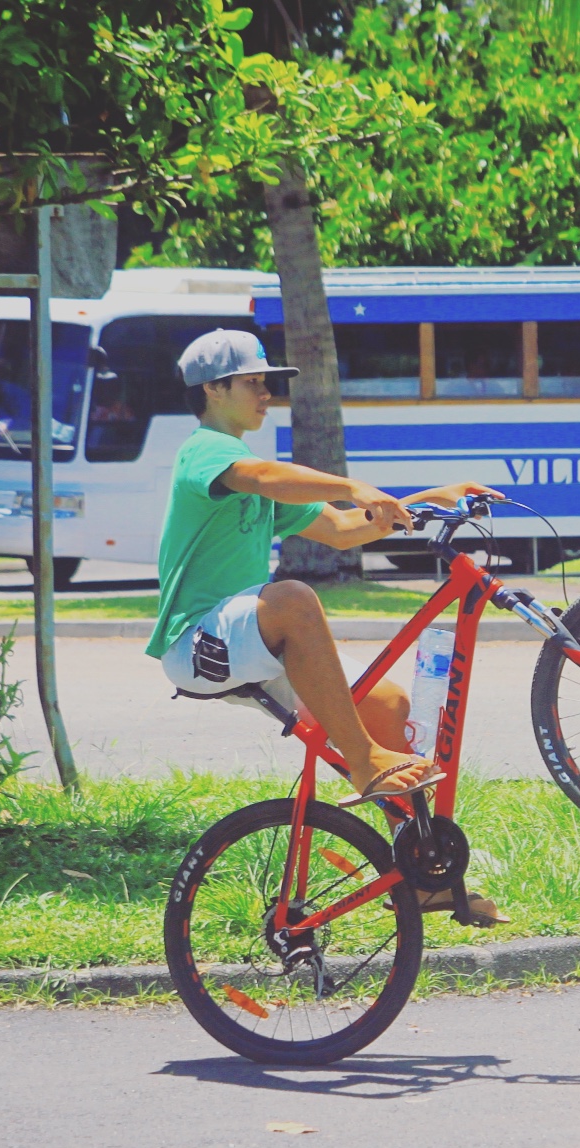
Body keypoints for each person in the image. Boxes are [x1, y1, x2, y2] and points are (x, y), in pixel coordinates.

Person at [148, 330, 508, 920]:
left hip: (249, 643)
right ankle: (364, 764)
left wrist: (426, 501)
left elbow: (343, 530)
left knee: (388, 706)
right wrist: (352, 483)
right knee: (293, 597)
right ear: (212, 390)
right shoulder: (205, 451)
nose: (267, 393)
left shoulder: (249, 470)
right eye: (253, 382)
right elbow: (263, 477)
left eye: (269, 383)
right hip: (199, 643)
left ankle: (422, 877)